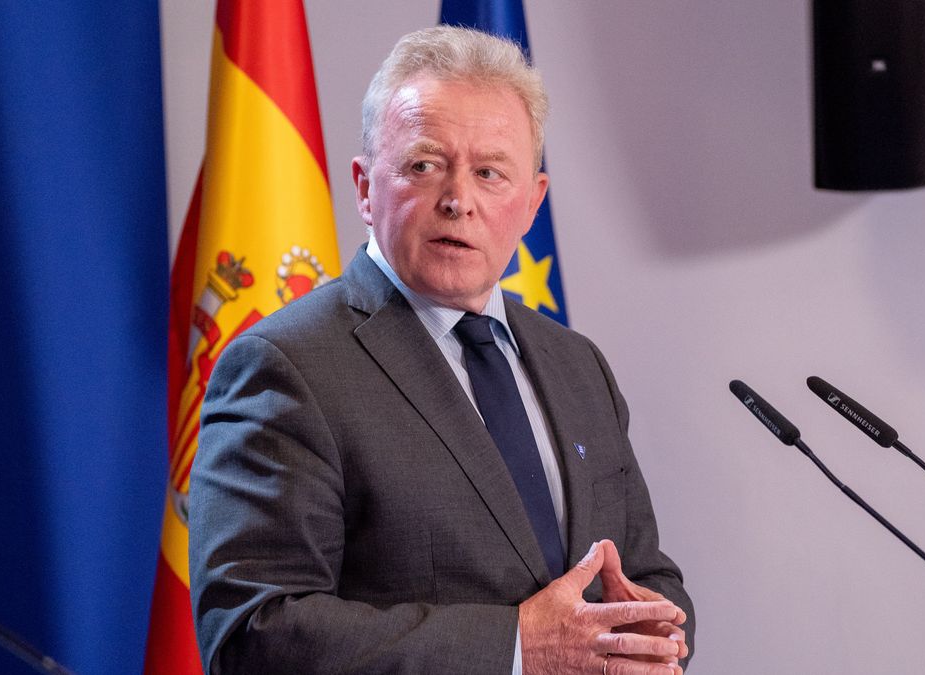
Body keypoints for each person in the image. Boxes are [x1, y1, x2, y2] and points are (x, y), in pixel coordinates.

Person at [189, 25, 694, 675]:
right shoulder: (286, 365)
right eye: (425, 165)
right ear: (366, 186)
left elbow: (647, 568)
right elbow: (254, 634)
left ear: (532, 202)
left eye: (490, 172)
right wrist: (518, 646)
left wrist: (652, 631)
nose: (459, 200)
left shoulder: (577, 365)